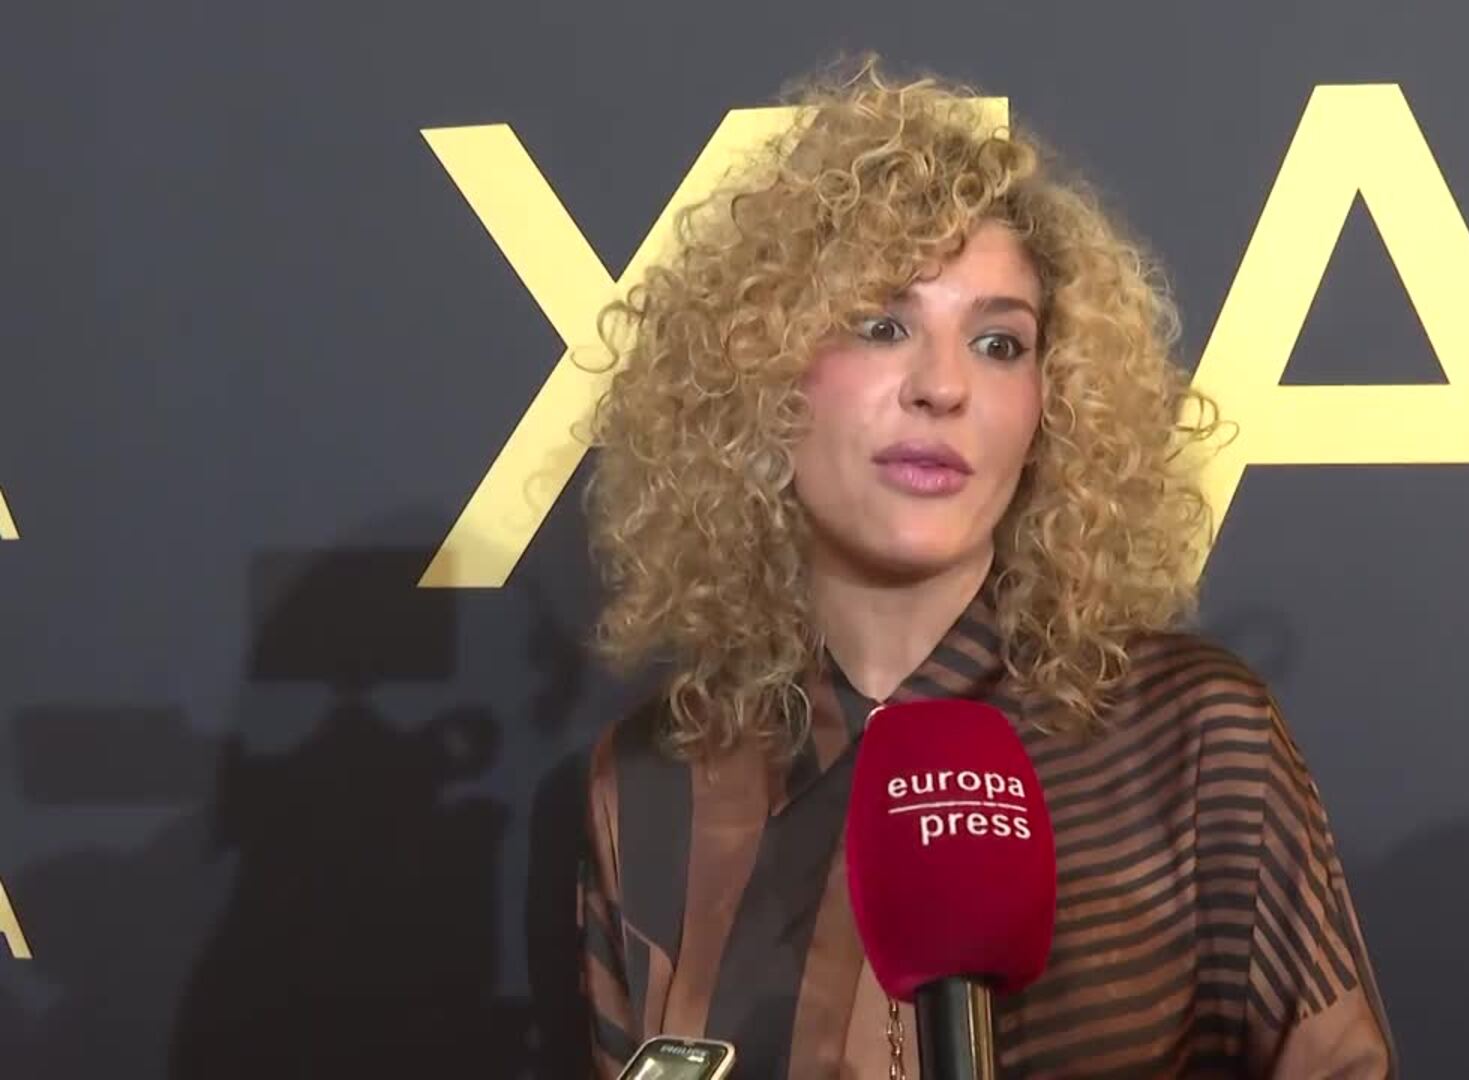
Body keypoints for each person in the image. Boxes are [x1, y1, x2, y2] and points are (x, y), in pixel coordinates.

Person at [577, 56, 1394, 1079]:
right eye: (882, 326)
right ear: (762, 377)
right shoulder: (653, 782)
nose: (943, 387)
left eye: (1000, 343)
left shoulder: (1192, 741)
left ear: (1053, 404)